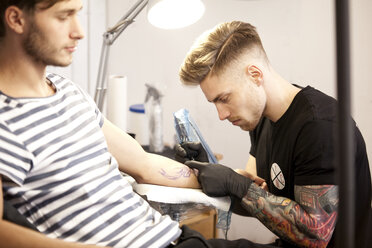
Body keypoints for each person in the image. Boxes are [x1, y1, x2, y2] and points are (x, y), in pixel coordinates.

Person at [0, 0, 213, 247]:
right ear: (16, 19)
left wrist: (226, 179)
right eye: (64, 16)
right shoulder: (5, 119)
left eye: (77, 14)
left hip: (176, 238)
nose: (78, 31)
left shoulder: (68, 91)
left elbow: (145, 164)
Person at [177, 21, 371, 248]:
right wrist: (210, 172)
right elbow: (254, 200)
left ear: (255, 75)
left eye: (224, 98)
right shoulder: (261, 120)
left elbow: (315, 236)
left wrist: (236, 184)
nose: (221, 114)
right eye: (214, 103)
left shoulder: (319, 127)